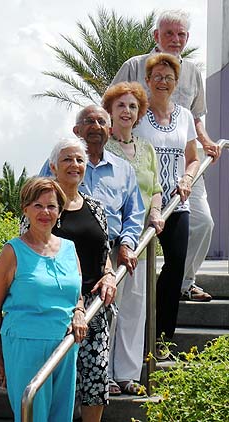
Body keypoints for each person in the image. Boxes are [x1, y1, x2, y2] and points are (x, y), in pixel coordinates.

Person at [112, 9, 221, 301]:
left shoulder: (193, 71)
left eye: (181, 34)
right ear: (156, 36)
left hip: (183, 159)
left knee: (203, 222)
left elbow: (196, 116)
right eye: (169, 33)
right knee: (133, 232)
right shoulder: (134, 66)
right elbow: (111, 105)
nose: (175, 39)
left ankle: (184, 282)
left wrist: (207, 141)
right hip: (140, 164)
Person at [40, 107, 145, 397]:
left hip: (105, 260)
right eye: (88, 121)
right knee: (59, 367)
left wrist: (124, 246)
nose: (95, 126)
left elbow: (135, 212)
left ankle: (113, 376)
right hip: (56, 281)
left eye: (101, 121)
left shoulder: (123, 170)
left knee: (104, 336)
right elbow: (35, 210)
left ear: (110, 130)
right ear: (77, 130)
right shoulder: (53, 171)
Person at [0, 177, 88, 422]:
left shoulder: (69, 248)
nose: (45, 212)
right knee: (33, 416)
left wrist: (79, 310)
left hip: (65, 346)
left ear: (60, 211)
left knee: (62, 417)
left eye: (51, 206)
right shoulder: (12, 251)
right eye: (38, 205)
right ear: (25, 210)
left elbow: (77, 294)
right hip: (25, 344)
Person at [133, 52, 200, 358]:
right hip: (141, 203)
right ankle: (134, 339)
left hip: (175, 204)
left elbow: (193, 158)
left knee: (174, 267)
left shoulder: (185, 116)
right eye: (157, 77)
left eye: (168, 77)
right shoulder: (136, 113)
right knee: (134, 272)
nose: (162, 82)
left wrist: (187, 179)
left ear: (176, 83)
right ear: (147, 81)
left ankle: (161, 339)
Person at [49, 138, 117, 422]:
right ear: (53, 166)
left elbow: (105, 251)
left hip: (94, 308)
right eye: (67, 159)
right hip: (57, 305)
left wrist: (110, 273)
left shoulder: (96, 207)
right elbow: (31, 251)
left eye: (79, 159)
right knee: (56, 381)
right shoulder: (44, 207)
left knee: (96, 381)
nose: (74, 165)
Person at [102, 81, 164, 386]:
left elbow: (155, 189)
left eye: (133, 106)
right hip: (111, 237)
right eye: (121, 106)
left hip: (141, 240)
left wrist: (156, 211)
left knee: (135, 306)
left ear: (139, 113)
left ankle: (126, 375)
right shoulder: (103, 147)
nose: (127, 111)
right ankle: (106, 375)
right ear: (110, 111)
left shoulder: (146, 148)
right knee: (110, 304)